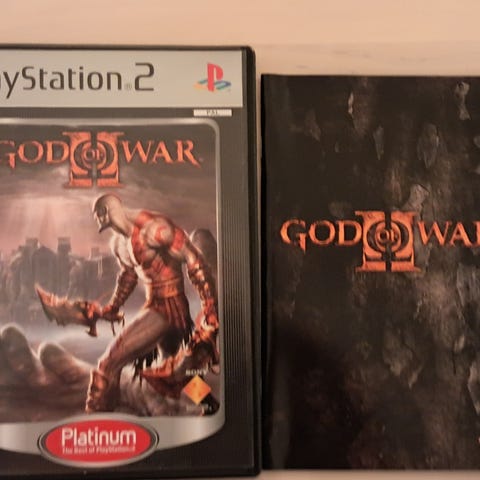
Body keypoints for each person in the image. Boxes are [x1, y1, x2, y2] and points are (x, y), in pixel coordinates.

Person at [86, 194, 218, 412]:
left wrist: (210, 305)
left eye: (99, 213)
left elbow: (194, 259)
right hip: (155, 305)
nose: (97, 218)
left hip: (169, 308)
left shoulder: (155, 228)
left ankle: (98, 413)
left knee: (108, 363)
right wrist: (114, 306)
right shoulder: (118, 243)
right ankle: (210, 405)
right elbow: (129, 276)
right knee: (179, 371)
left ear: (109, 210)